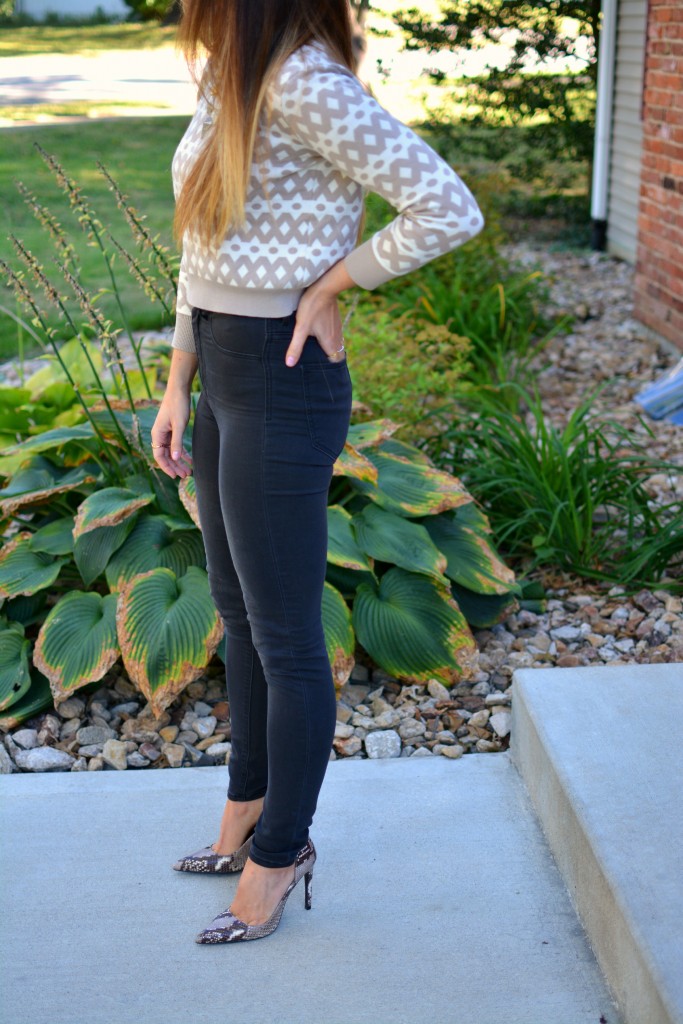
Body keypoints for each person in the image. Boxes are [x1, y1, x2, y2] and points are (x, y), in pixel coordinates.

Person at [150, 0, 485, 945]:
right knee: (241, 616)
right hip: (222, 368)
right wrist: (177, 385)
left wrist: (337, 281)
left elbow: (446, 206)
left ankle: (278, 856)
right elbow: (199, 242)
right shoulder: (231, 71)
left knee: (287, 639)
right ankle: (242, 814)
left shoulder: (304, 80)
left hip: (282, 375)